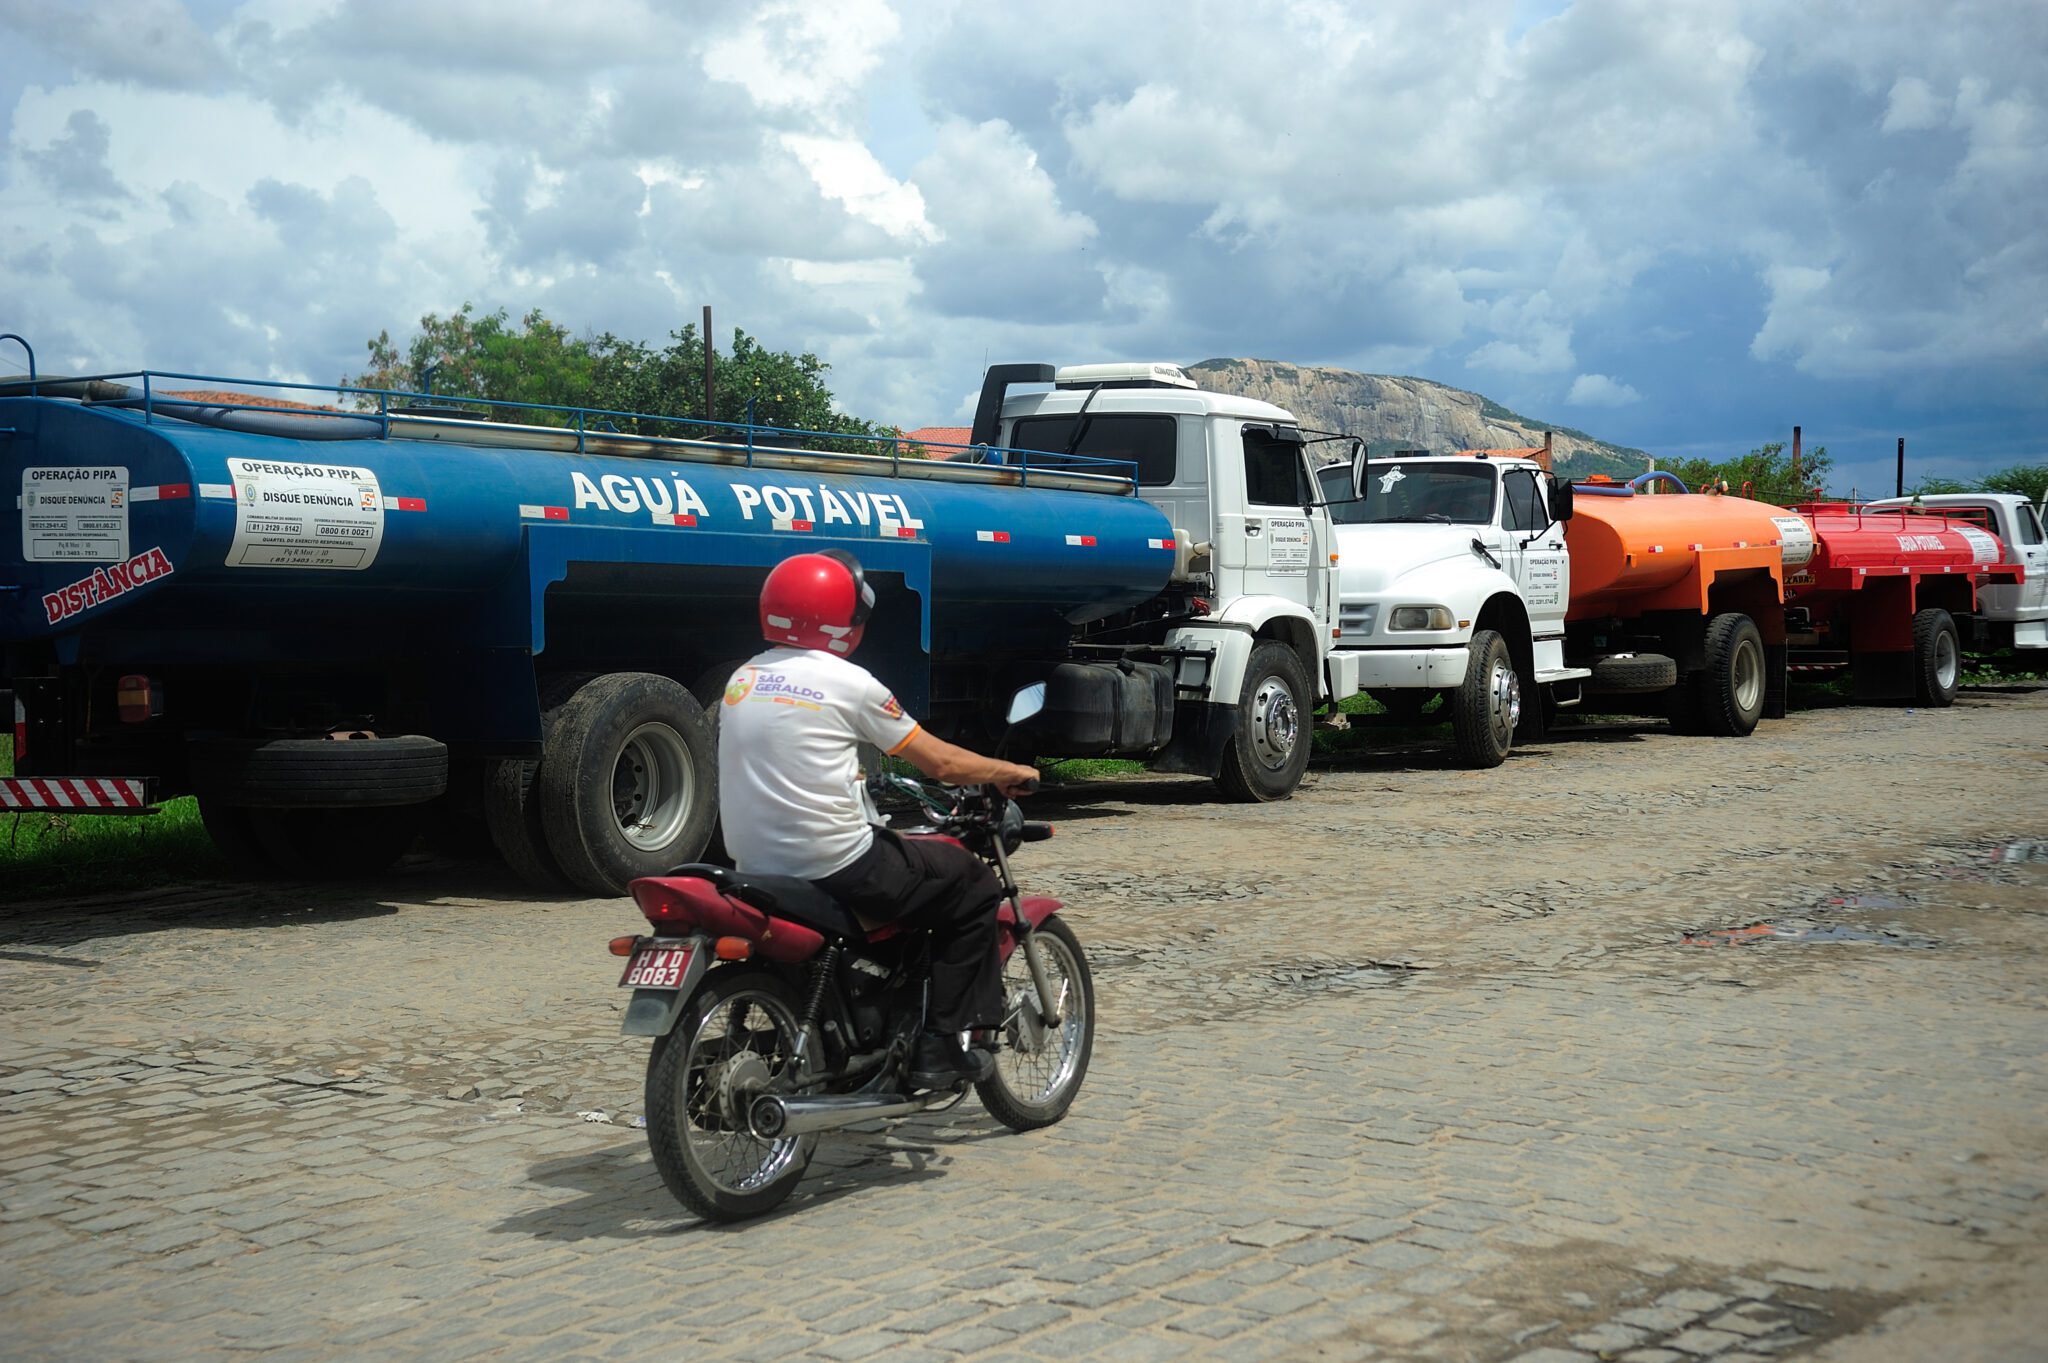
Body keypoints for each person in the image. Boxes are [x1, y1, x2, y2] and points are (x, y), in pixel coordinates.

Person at [717, 549, 1040, 1089]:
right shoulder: (850, 682)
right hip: (836, 861)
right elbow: (941, 763)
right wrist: (1009, 770)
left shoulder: (743, 678)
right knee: (973, 884)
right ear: (846, 619)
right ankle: (941, 1045)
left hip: (757, 864)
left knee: (910, 874)